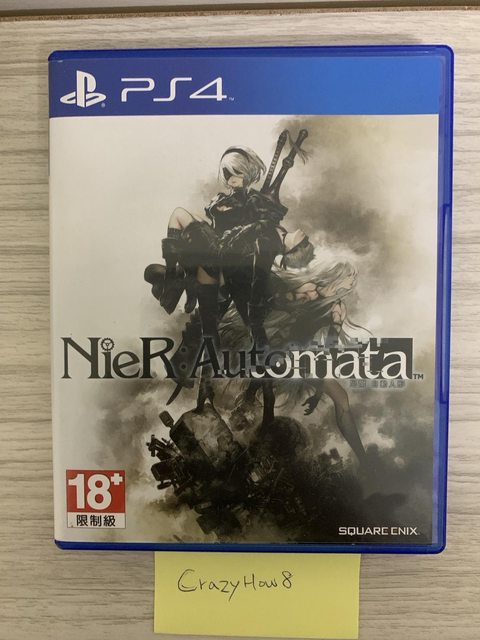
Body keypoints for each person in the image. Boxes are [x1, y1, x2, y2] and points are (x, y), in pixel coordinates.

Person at [220, 259, 370, 464]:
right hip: (277, 347)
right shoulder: (309, 289)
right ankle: (252, 440)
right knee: (266, 396)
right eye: (351, 277)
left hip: (301, 357)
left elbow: (329, 348)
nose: (352, 283)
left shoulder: (338, 308)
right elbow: (271, 302)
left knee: (341, 398)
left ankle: (364, 459)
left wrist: (318, 391)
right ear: (339, 275)